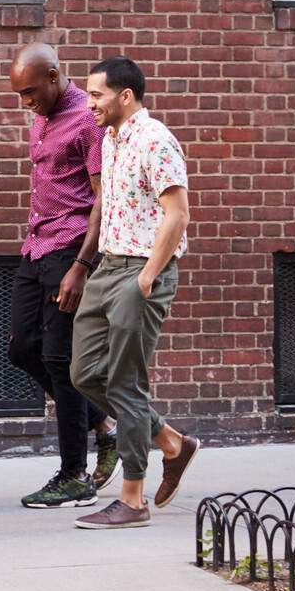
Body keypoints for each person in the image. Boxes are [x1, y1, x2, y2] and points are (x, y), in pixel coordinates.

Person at [71, 56, 202, 529]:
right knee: (85, 373)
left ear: (125, 96)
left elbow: (178, 214)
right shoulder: (108, 140)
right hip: (108, 266)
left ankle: (132, 499)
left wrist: (148, 275)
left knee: (126, 383)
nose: (90, 104)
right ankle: (169, 441)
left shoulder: (156, 140)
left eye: (97, 95)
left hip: (141, 270)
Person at [6, 43, 120, 509]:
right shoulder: (44, 114)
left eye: (31, 92)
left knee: (59, 360)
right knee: (21, 349)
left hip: (71, 248)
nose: (26, 102)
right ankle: (103, 425)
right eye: (20, 95)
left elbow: (103, 199)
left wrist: (81, 266)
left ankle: (74, 473)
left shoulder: (88, 122)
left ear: (54, 76)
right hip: (36, 246)